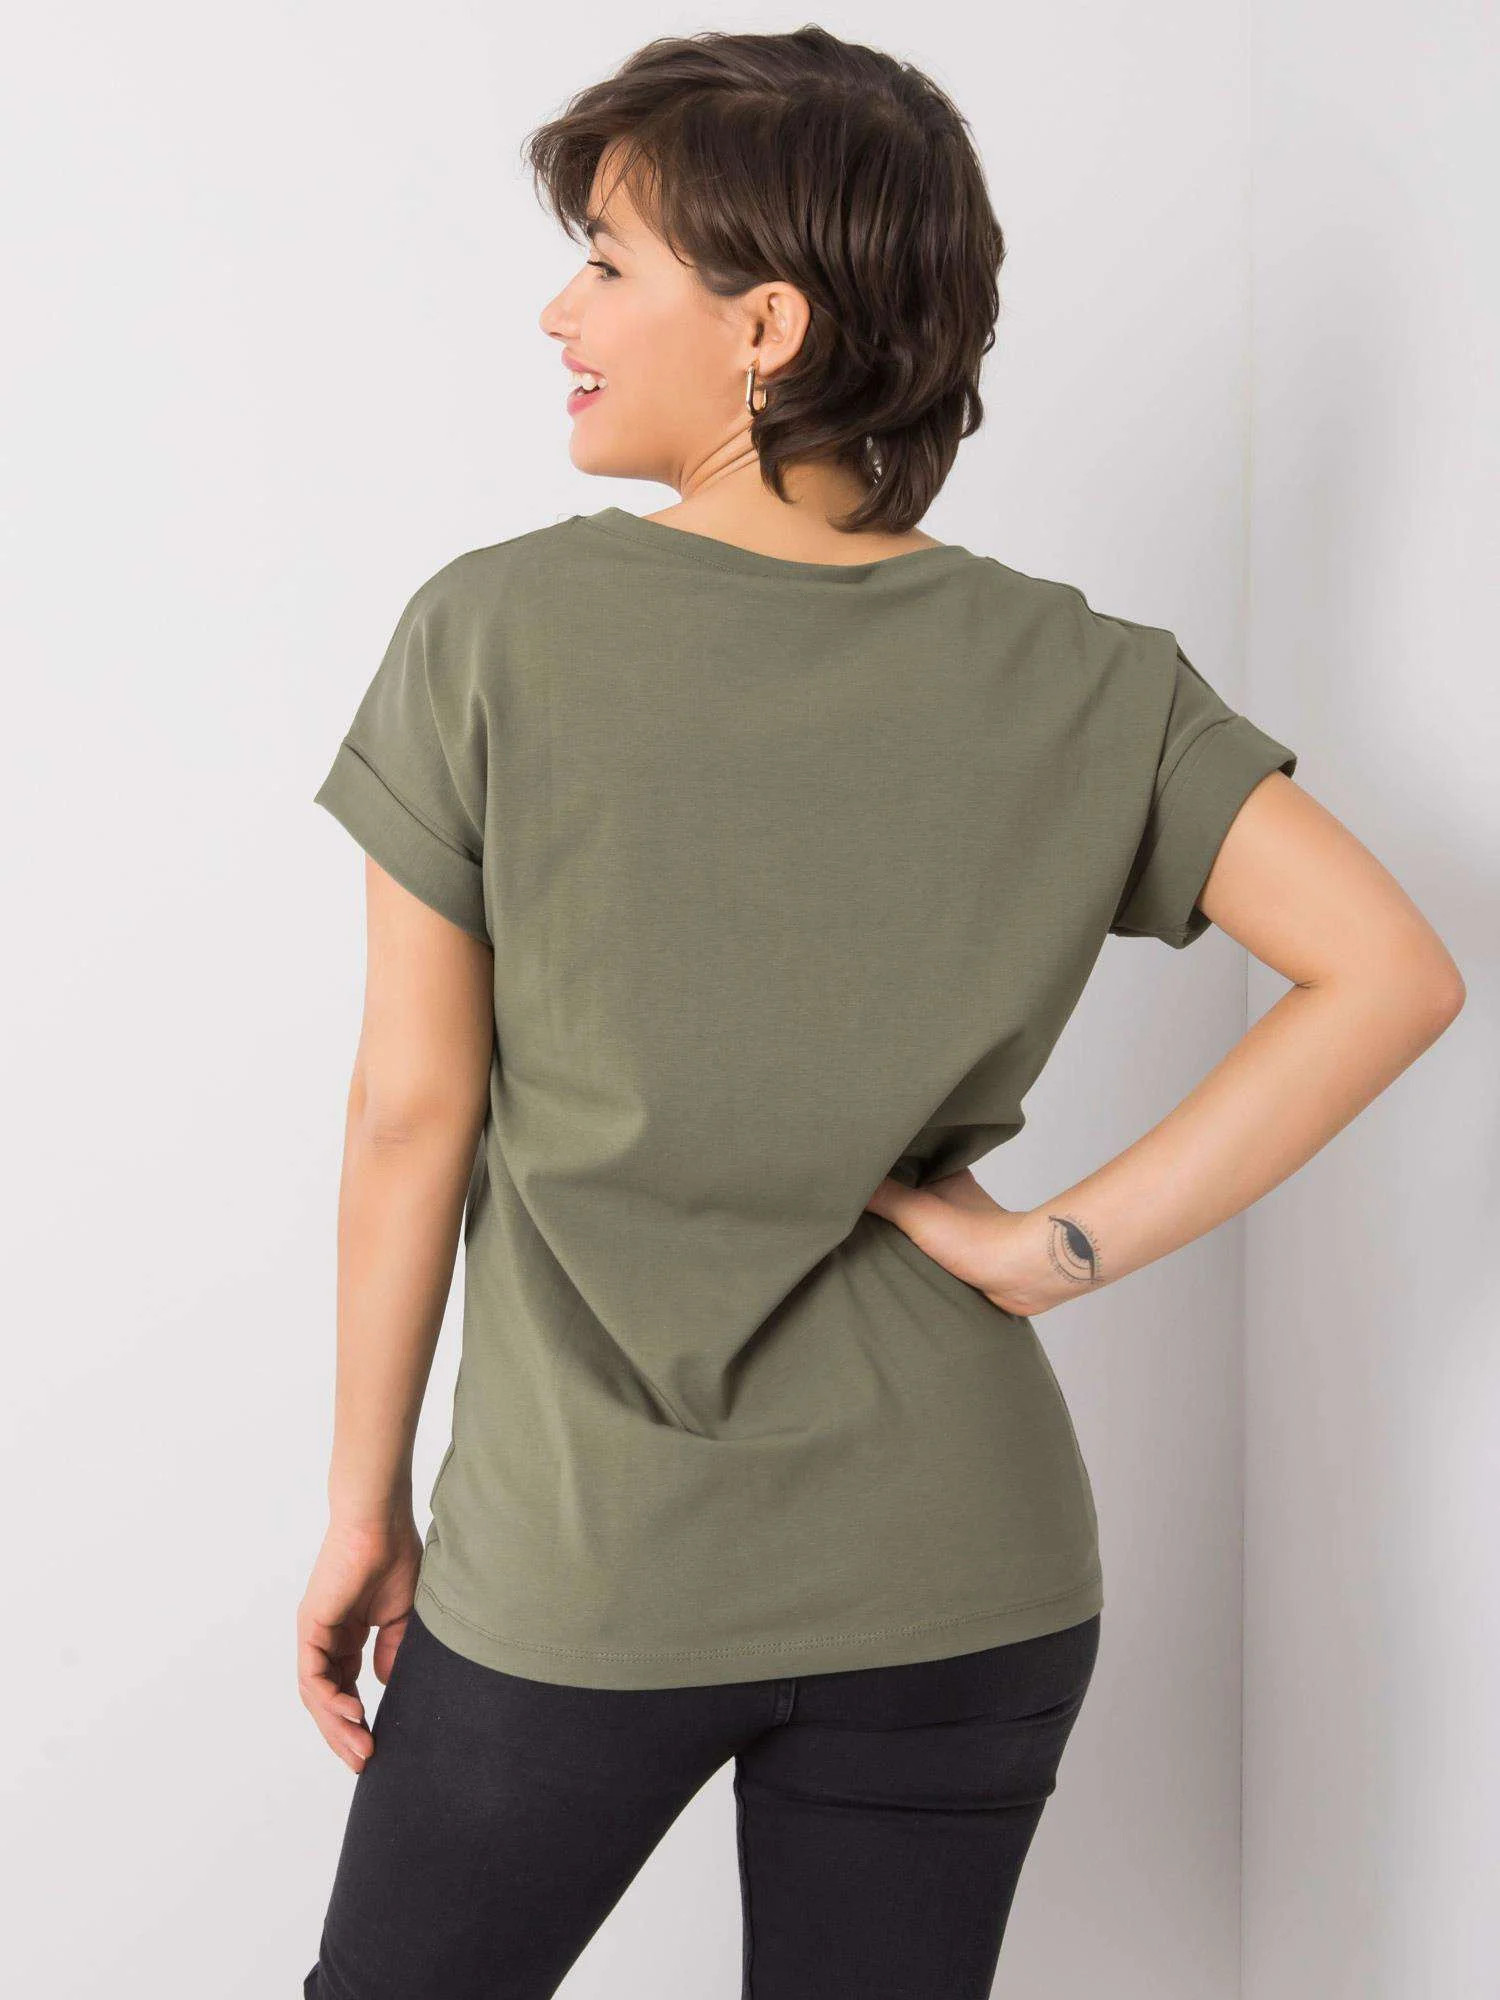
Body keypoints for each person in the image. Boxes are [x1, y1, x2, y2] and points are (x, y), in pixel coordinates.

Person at [296, 27, 1465, 2000]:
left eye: (609, 262)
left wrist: (363, 1505)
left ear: (767, 326)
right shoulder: (1088, 676)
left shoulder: (491, 633)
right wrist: (1047, 1250)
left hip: (588, 1561)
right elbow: (1392, 969)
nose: (560, 310)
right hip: (964, 1572)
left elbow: (413, 1111)